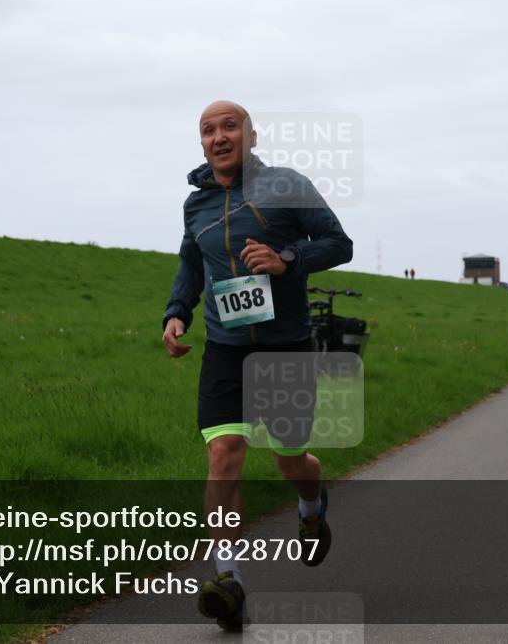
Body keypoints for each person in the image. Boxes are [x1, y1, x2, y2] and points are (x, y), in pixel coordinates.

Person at [162, 101, 353, 631]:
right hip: (225, 348)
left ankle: (312, 506)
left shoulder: (287, 185)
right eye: (208, 130)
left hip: (285, 347)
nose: (219, 136)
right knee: (224, 453)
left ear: (251, 134)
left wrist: (287, 259)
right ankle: (229, 581)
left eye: (229, 126)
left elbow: (340, 244)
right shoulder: (195, 206)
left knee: (291, 462)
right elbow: (190, 262)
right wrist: (178, 312)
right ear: (201, 143)